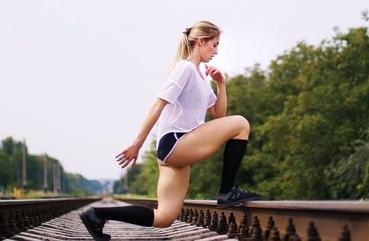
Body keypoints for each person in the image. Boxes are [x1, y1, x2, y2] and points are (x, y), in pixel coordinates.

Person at [79, 21, 261, 240]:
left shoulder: (201, 76)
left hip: (174, 151)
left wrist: (221, 84)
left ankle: (96, 215)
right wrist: (137, 144)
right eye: (214, 44)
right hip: (176, 142)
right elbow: (158, 105)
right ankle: (227, 190)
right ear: (201, 41)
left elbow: (219, 116)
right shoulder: (184, 68)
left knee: (165, 217)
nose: (217, 51)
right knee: (241, 123)